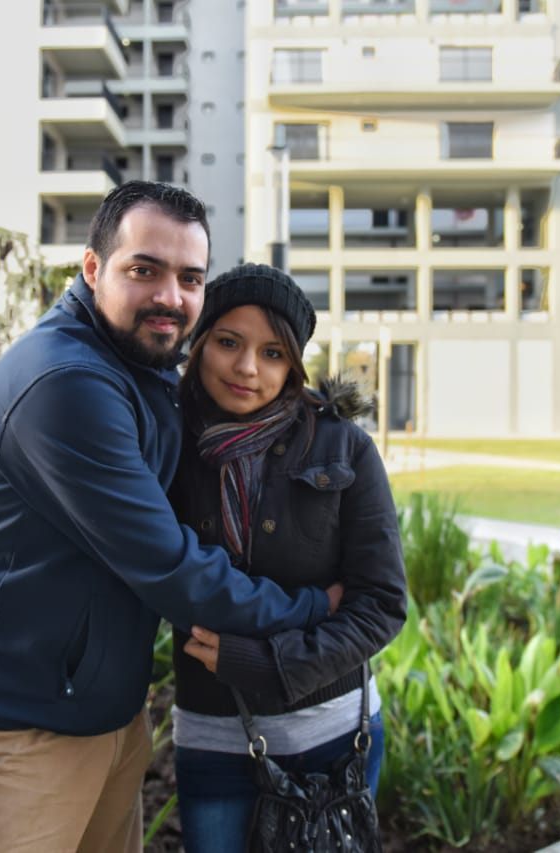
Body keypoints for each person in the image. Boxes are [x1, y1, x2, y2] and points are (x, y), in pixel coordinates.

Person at [0, 184, 339, 853]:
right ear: (92, 268)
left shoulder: (143, 365)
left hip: (103, 719)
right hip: (11, 736)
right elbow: (168, 565)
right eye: (144, 269)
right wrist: (312, 607)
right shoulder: (67, 382)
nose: (170, 296)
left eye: (189, 278)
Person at [166, 263, 408, 852]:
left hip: (335, 736)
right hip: (214, 738)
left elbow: (381, 603)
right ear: (200, 344)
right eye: (229, 343)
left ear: (293, 364)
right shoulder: (165, 443)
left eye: (272, 353)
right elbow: (154, 573)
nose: (247, 367)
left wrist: (272, 665)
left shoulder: (343, 446)